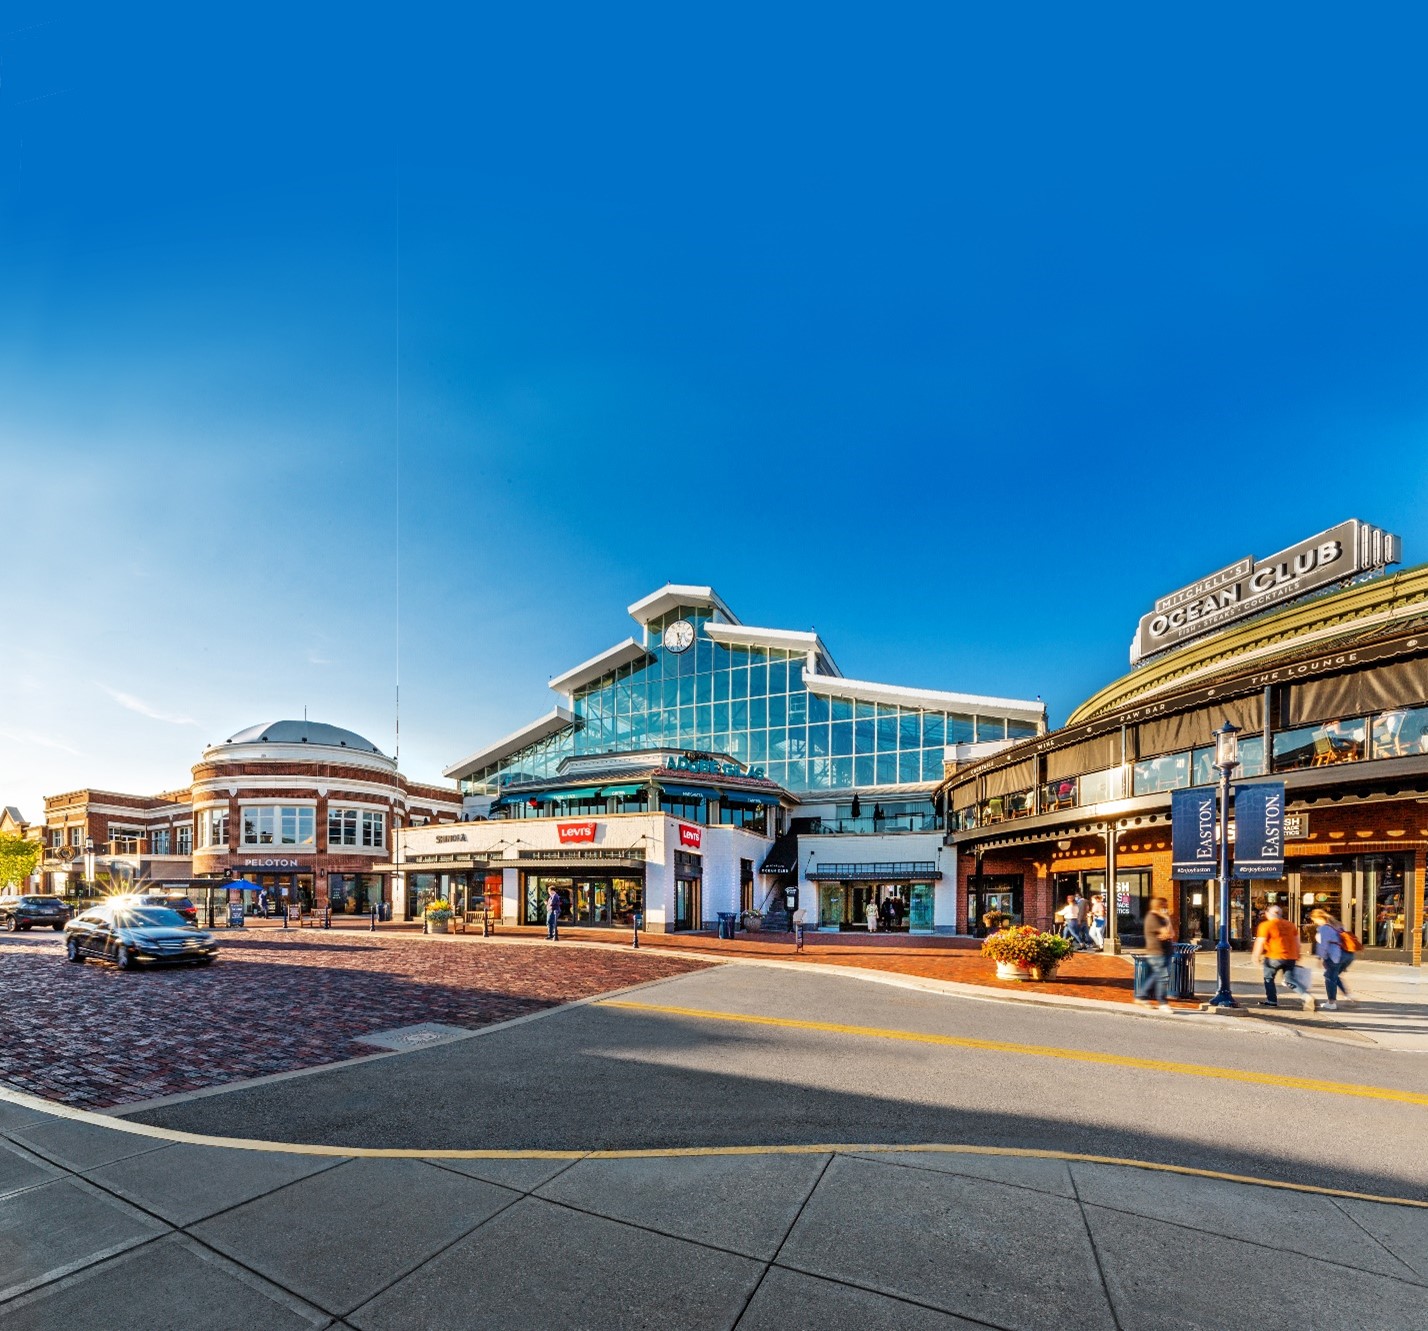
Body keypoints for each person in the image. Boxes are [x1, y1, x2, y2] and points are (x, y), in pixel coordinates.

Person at [1252, 905, 1315, 1010]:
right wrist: (1298, 954)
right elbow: (1297, 941)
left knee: (1268, 978)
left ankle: (1271, 1000)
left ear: (1267, 914)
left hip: (1273, 956)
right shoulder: (1291, 925)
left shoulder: (1265, 925)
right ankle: (1306, 996)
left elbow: (1260, 941)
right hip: (1290, 957)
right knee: (1289, 979)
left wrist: (1255, 955)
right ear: (1280, 914)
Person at [1309, 908, 1354, 1009]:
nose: (1314, 922)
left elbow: (1323, 945)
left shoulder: (1324, 928)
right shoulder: (1338, 925)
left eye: (1314, 920)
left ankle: (1331, 1002)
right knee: (1334, 976)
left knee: (1329, 978)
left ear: (1318, 918)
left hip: (1335, 956)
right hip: (1347, 955)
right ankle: (1348, 995)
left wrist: (1320, 958)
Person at [1136, 895, 1174, 1011]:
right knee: (1162, 976)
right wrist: (1166, 923)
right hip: (1156, 952)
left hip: (1165, 951)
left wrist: (1167, 922)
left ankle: (1142, 996)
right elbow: (1166, 932)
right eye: (1164, 906)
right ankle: (1162, 1002)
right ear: (1158, 906)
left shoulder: (1161, 918)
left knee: (1157, 976)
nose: (1166, 908)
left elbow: (1171, 934)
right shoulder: (1152, 917)